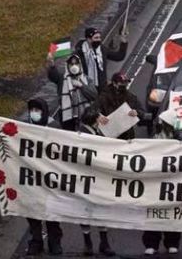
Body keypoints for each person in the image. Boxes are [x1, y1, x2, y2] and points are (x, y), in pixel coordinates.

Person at [22, 98, 64, 256]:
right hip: (31, 175)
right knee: (32, 210)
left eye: (37, 110)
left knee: (51, 210)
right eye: (32, 110)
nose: (34, 113)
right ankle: (36, 240)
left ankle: (55, 241)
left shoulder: (54, 126)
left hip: (50, 176)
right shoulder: (25, 126)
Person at [143, 110, 182, 256]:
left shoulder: (179, 141)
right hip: (154, 181)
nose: (158, 123)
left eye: (162, 122)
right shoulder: (153, 138)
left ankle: (172, 242)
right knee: (152, 212)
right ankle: (151, 243)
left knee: (171, 213)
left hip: (172, 182)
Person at [78, 106, 116, 256]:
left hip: (98, 177)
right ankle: (88, 242)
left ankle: (103, 242)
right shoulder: (82, 134)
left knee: (101, 208)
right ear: (94, 120)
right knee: (85, 210)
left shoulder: (96, 132)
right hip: (86, 178)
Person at [51, 53, 98, 131]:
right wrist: (52, 66)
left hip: (84, 117)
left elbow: (94, 95)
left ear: (80, 65)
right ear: (68, 66)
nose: (74, 66)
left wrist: (82, 86)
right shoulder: (62, 79)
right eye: (71, 64)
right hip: (68, 118)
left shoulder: (86, 79)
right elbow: (53, 76)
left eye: (76, 63)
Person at [95, 72, 144, 140]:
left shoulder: (131, 97)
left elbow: (142, 111)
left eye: (125, 83)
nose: (124, 85)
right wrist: (99, 116)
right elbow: (92, 111)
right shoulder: (103, 97)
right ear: (114, 83)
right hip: (109, 136)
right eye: (121, 83)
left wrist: (137, 112)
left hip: (127, 135)